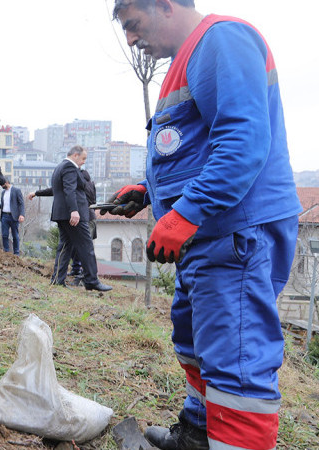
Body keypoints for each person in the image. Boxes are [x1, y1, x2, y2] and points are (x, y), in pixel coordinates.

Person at [107, 1, 302, 448]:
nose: (132, 40)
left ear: (166, 5)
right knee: (197, 343)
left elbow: (242, 141)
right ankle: (198, 433)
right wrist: (148, 192)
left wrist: (186, 212)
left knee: (236, 361)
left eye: (134, 26)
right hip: (211, 235)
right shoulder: (189, 58)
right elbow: (197, 149)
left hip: (236, 233)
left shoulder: (222, 41)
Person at [29, 146, 111, 291]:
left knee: (65, 247)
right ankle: (91, 280)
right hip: (73, 215)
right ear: (75, 155)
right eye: (83, 158)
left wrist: (36, 193)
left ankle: (57, 279)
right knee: (86, 245)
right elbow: (69, 190)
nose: (84, 162)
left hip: (62, 214)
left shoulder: (60, 167)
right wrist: (74, 211)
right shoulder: (69, 167)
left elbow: (56, 190)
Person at [68, 167, 97, 278]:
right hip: (91, 216)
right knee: (84, 245)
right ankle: (78, 269)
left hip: (84, 217)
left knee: (80, 246)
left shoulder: (80, 186)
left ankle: (79, 270)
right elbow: (94, 201)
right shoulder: (91, 184)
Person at [0, 179, 25, 255]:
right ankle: (6, 252)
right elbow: (2, 204)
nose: (1, 186)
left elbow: (21, 203)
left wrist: (22, 214)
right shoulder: (3, 192)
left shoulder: (16, 190)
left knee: (15, 235)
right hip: (4, 216)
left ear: (7, 182)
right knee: (4, 235)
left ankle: (16, 253)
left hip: (14, 216)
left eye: (2, 184)